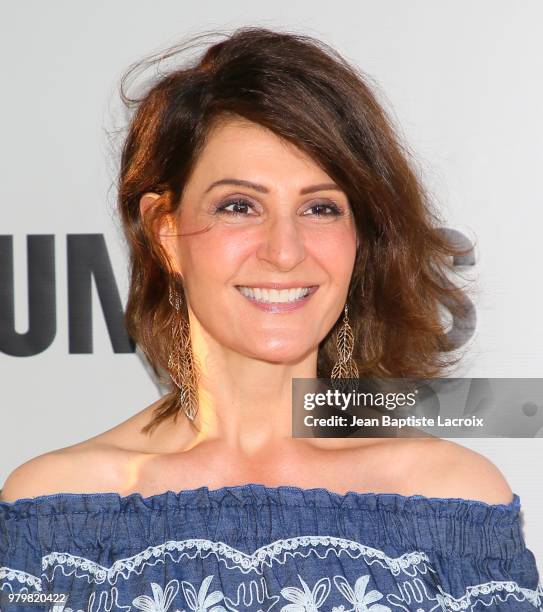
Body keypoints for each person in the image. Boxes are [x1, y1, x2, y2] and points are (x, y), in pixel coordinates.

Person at [1, 26, 541, 612]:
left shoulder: (451, 501)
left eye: (320, 208)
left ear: (360, 238)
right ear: (165, 233)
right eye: (239, 206)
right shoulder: (55, 512)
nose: (285, 250)